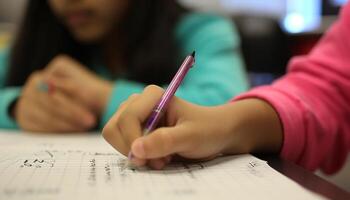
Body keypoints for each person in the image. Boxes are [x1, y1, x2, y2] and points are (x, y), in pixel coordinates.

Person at [102, 3, 350, 173]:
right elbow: (328, 91)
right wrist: (227, 126)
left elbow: (329, 92)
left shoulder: (202, 29)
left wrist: (100, 97)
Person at [0, 0, 248, 132]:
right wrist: (15, 106)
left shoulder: (203, 31)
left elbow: (234, 110)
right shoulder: (38, 39)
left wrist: (101, 96)